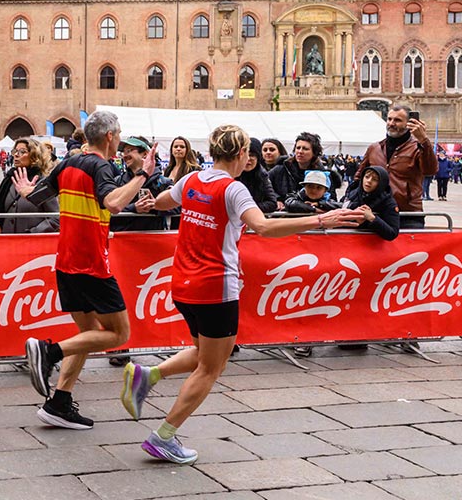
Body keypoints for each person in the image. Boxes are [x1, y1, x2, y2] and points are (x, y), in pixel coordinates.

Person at [120, 125, 363, 465]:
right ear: (239, 155)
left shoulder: (193, 179)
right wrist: (321, 220)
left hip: (183, 284)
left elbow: (164, 201)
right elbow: (263, 226)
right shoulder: (233, 190)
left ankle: (148, 376)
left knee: (204, 351)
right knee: (211, 367)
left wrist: (149, 205)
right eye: (247, 153)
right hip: (216, 287)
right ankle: (163, 437)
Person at [23, 111, 158, 429]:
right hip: (92, 264)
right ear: (110, 136)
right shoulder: (102, 165)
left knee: (87, 335)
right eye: (120, 135)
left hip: (66, 261)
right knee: (119, 334)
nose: (121, 141)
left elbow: (39, 196)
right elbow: (111, 203)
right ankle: (49, 351)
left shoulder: (69, 163)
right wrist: (142, 176)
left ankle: (59, 403)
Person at [355, 105, 436, 229]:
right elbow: (358, 178)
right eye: (389, 119)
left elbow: (430, 170)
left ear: (409, 123)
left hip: (408, 214)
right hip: (376, 212)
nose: (391, 123)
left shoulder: (417, 148)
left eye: (397, 120)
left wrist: (423, 140)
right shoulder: (375, 148)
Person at [0, 138, 59, 234]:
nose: (16, 154)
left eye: (22, 152)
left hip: (32, 244)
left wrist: (33, 233)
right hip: (8, 241)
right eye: (15, 151)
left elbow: (55, 219)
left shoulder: (42, 182)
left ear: (34, 156)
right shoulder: (9, 179)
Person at [111, 135, 175, 232]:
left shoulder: (163, 182)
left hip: (153, 242)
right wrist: (133, 208)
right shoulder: (117, 181)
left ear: (145, 154)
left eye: (129, 150)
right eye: (123, 152)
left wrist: (157, 205)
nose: (124, 155)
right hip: (122, 241)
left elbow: (180, 205)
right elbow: (107, 207)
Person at [269, 132, 341, 204]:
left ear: (314, 152)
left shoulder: (324, 175)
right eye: (298, 148)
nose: (300, 151)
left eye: (305, 149)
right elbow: (264, 189)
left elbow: (332, 200)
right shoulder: (279, 170)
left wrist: (318, 205)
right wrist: (277, 199)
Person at [342, 166, 400, 241]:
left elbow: (392, 233)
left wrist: (372, 219)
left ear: (381, 183)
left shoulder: (388, 202)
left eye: (375, 179)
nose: (369, 181)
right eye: (367, 177)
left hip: (371, 245)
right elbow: (342, 208)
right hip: (345, 241)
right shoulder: (353, 193)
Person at [236, 138, 278, 214]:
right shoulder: (231, 175)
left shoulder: (262, 175)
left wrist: (247, 208)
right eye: (245, 155)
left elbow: (272, 203)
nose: (248, 159)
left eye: (252, 155)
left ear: (258, 158)